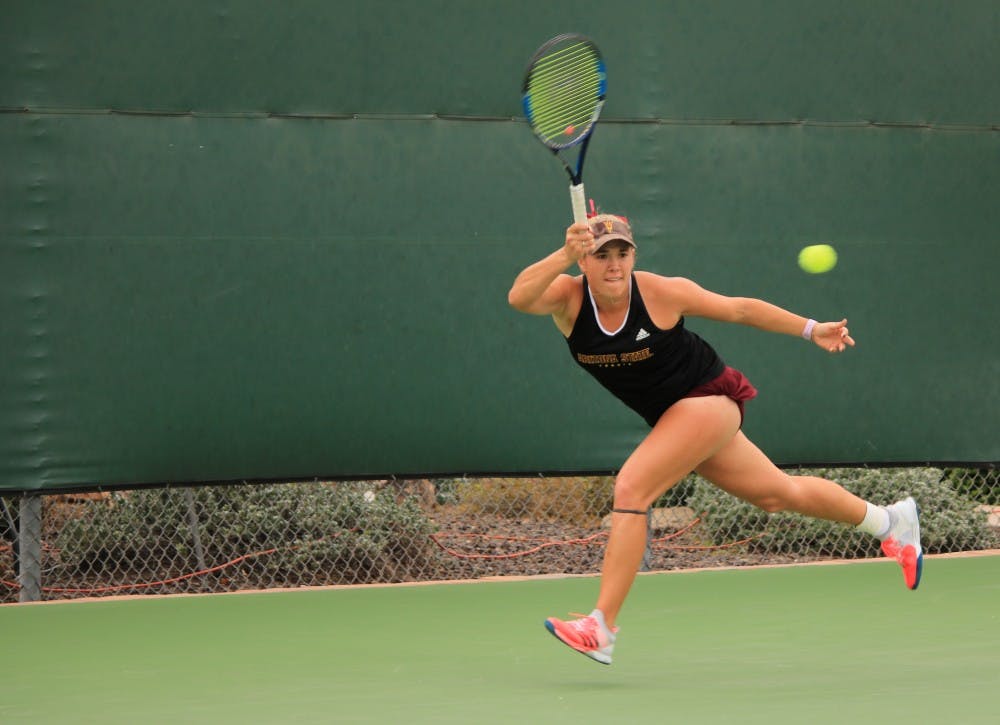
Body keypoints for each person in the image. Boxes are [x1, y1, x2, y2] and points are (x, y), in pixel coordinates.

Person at [507, 212, 922, 665]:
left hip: (709, 398)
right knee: (778, 494)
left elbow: (739, 308)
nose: (614, 265)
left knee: (631, 488)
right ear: (583, 261)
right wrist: (561, 256)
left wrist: (811, 328)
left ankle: (602, 626)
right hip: (674, 419)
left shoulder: (661, 292)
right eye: (601, 255)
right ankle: (890, 523)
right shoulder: (568, 300)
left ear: (633, 256)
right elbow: (519, 296)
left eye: (622, 253)